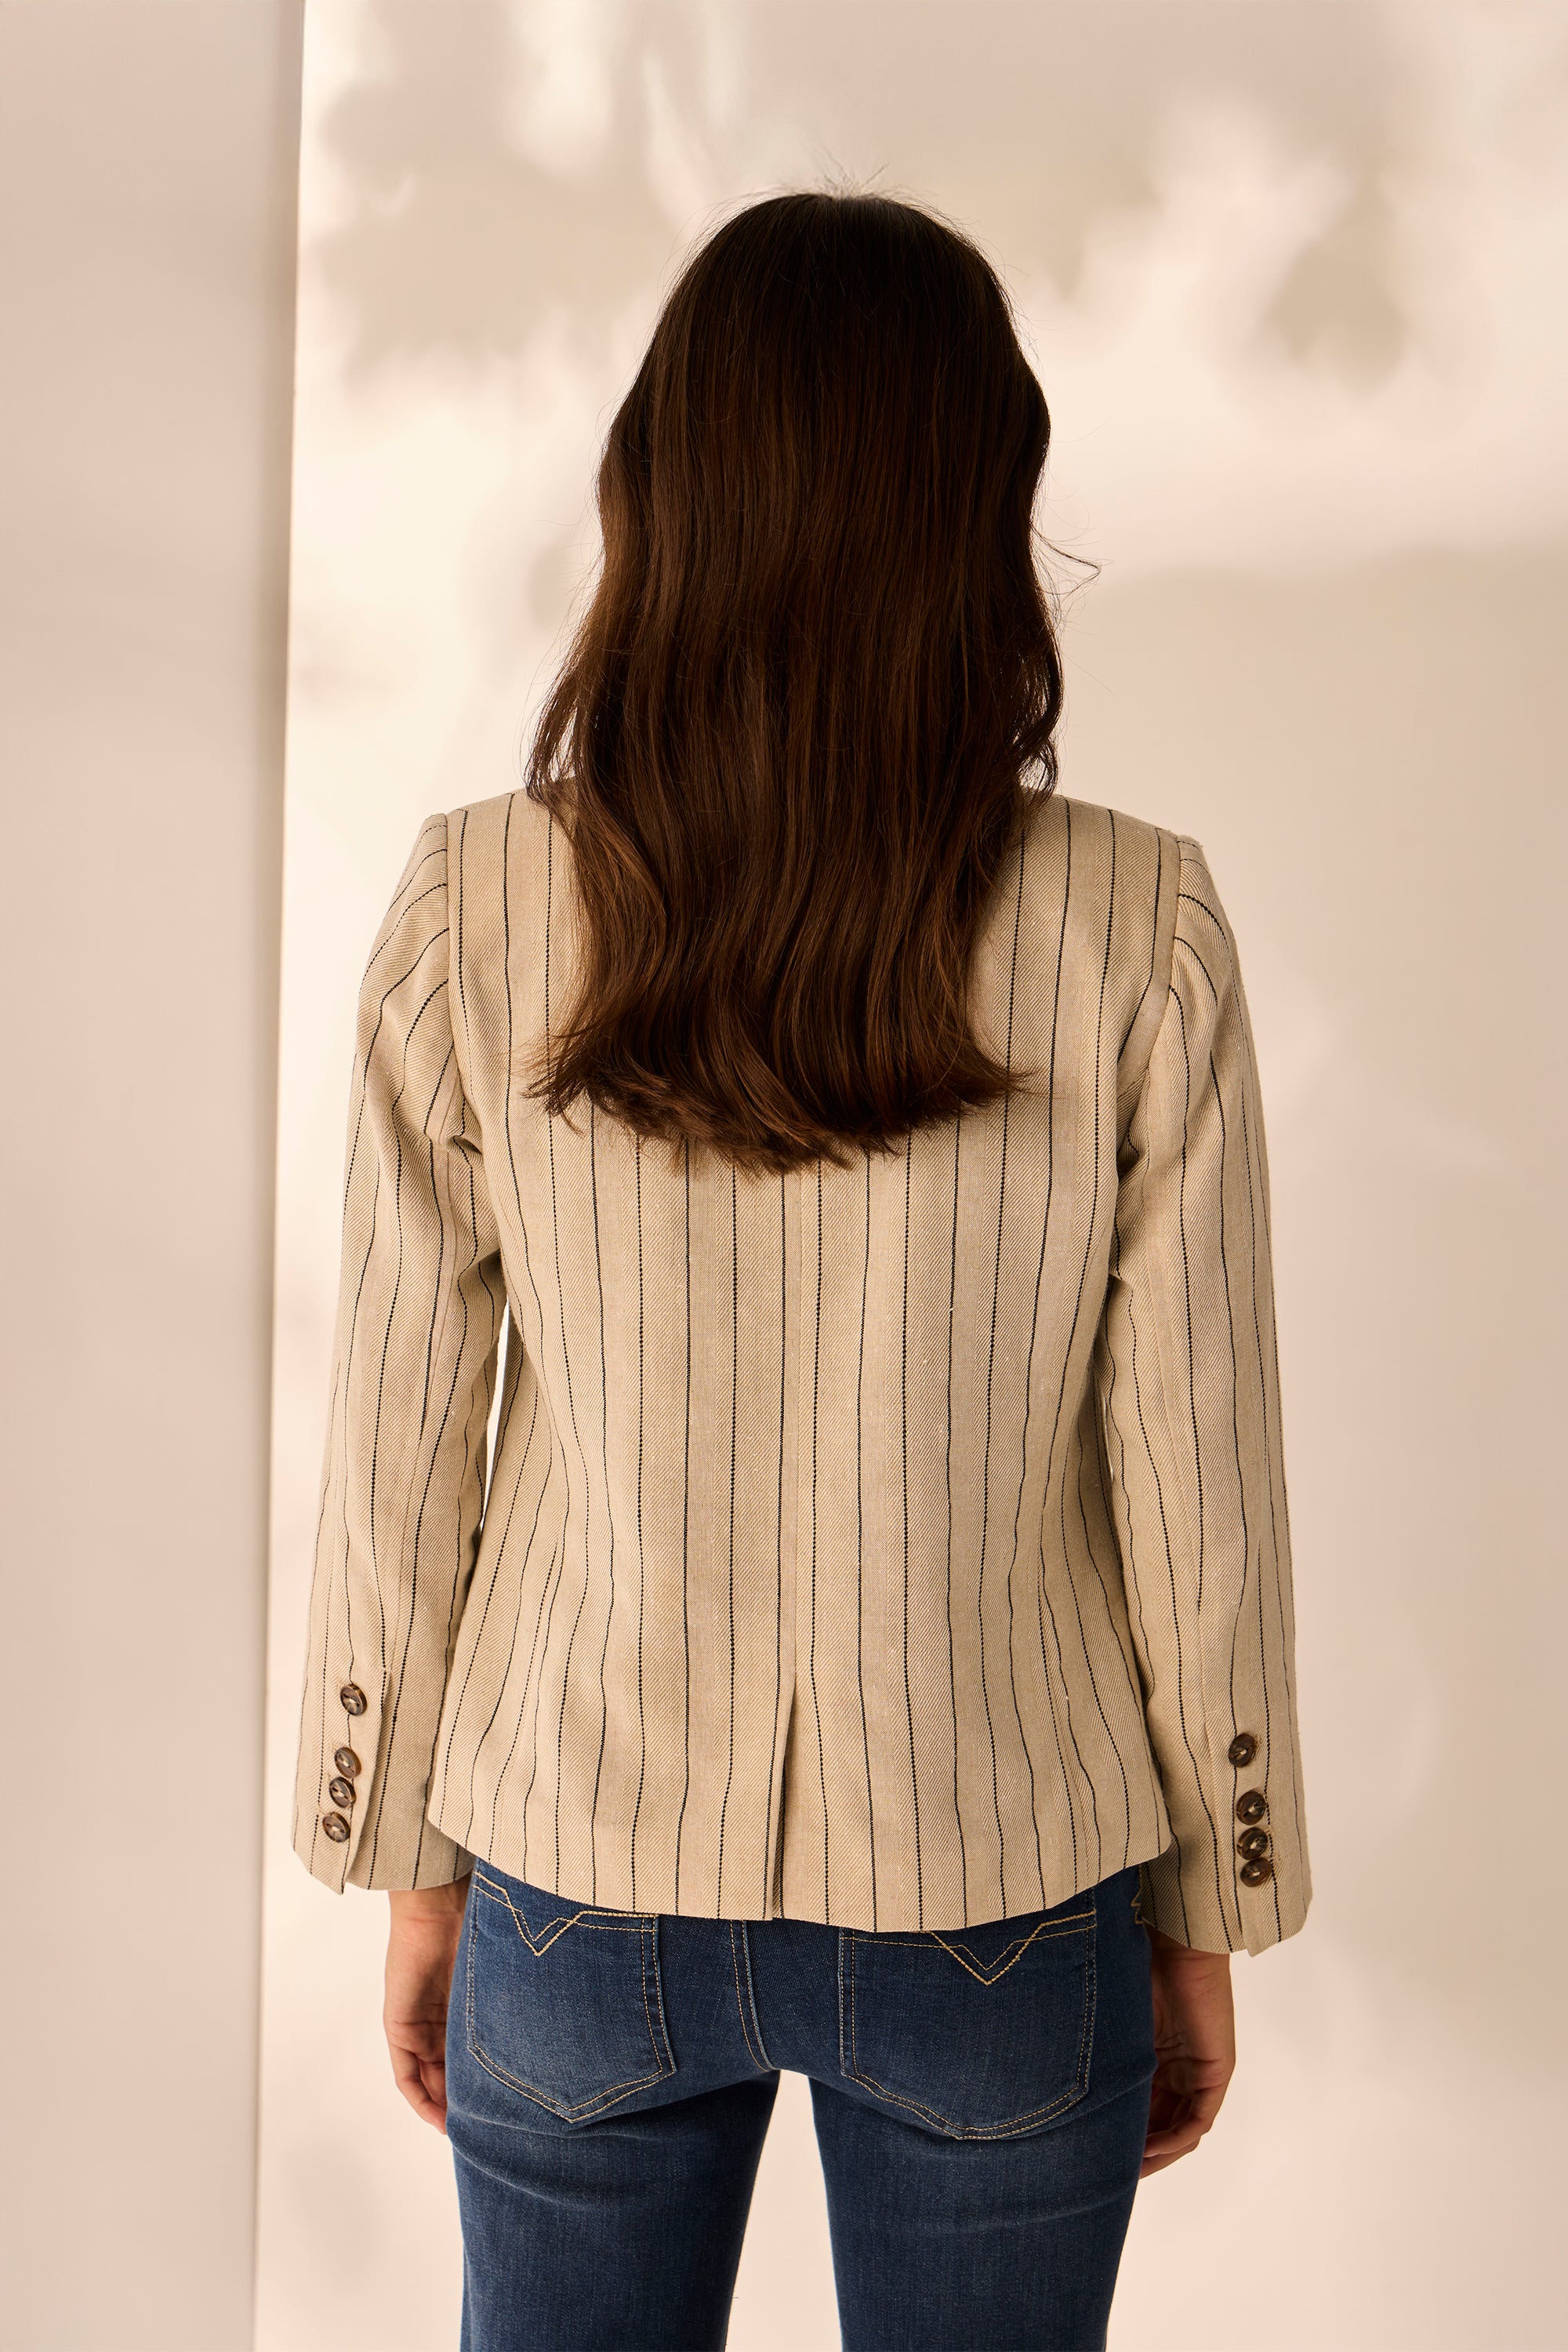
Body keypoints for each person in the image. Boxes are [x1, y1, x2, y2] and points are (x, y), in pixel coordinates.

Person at [292, 186, 1311, 2352]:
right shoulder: (1140, 928)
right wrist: (1213, 1899)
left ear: (655, 497)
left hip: (575, 1864)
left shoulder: (477, 907)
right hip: (1006, 1883)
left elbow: (400, 1437)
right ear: (982, 517)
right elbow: (1200, 1470)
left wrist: (402, 1860)